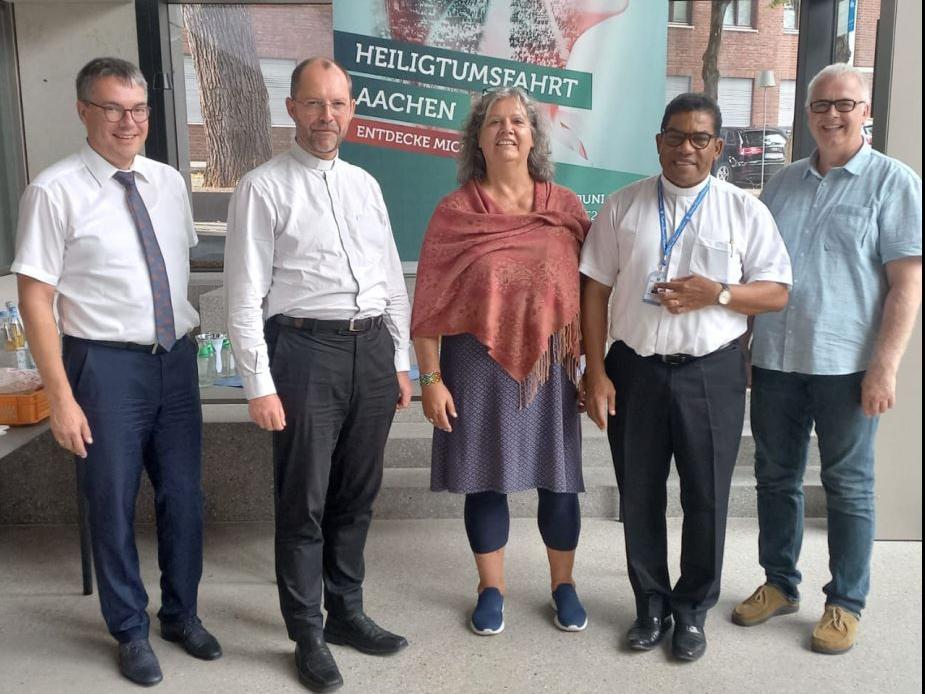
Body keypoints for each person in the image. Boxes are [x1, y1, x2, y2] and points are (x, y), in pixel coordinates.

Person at [12, 57, 221, 687]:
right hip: (102, 367)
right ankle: (130, 629)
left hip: (174, 361)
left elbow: (169, 271)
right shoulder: (53, 191)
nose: (129, 122)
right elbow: (34, 298)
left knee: (185, 498)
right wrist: (62, 396)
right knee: (111, 502)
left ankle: (181, 614)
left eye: (139, 110)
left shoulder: (167, 182)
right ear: (83, 112)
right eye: (113, 109)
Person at [580, 93, 792, 662]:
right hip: (635, 372)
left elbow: (776, 291)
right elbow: (595, 288)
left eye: (700, 138)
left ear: (718, 147)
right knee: (640, 494)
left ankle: (692, 611)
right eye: (675, 136)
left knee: (707, 498)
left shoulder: (743, 210)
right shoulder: (623, 206)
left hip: (711, 373)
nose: (686, 148)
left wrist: (717, 293)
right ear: (659, 142)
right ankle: (649, 604)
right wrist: (594, 369)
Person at [224, 57, 412, 692]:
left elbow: (390, 280)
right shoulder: (263, 187)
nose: (327, 116)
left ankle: (347, 613)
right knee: (303, 500)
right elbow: (243, 296)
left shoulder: (366, 185)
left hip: (371, 354)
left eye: (338, 104)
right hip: (303, 354)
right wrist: (259, 385)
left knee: (356, 495)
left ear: (350, 109)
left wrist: (401, 361)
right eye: (314, 103)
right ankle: (306, 631)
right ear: (292, 110)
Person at [732, 63, 922, 655]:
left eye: (845, 104)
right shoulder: (783, 183)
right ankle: (780, 584)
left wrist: (885, 366)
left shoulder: (895, 182)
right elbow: (758, 272)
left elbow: (907, 285)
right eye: (820, 105)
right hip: (777, 361)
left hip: (847, 367)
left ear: (865, 110)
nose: (832, 115)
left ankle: (845, 602)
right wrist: (745, 345)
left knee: (848, 486)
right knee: (775, 478)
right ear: (807, 113)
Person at [412, 87, 591, 636]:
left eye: (518, 120)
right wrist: (431, 379)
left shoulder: (566, 208)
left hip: (551, 369)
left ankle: (563, 585)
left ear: (535, 135)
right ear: (478, 138)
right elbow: (428, 304)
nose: (507, 129)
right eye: (494, 122)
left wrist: (595, 368)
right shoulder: (455, 211)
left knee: (560, 482)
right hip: (475, 367)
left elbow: (593, 293)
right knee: (485, 481)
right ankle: (491, 588)